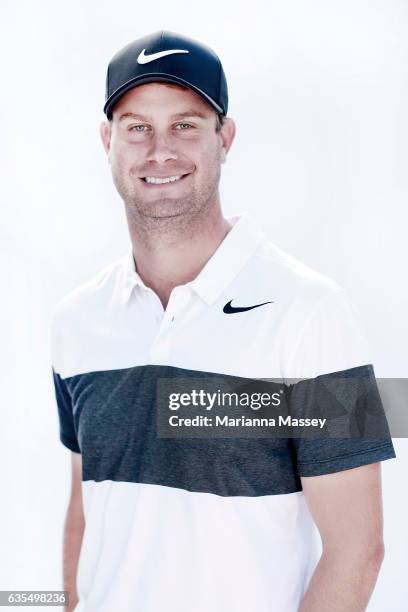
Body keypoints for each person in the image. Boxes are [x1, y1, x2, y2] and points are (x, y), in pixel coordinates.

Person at [51, 30, 396, 612]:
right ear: (107, 140)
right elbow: (87, 506)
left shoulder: (315, 311)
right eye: (138, 127)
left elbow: (359, 549)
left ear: (225, 137)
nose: (160, 149)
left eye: (185, 124)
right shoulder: (76, 320)